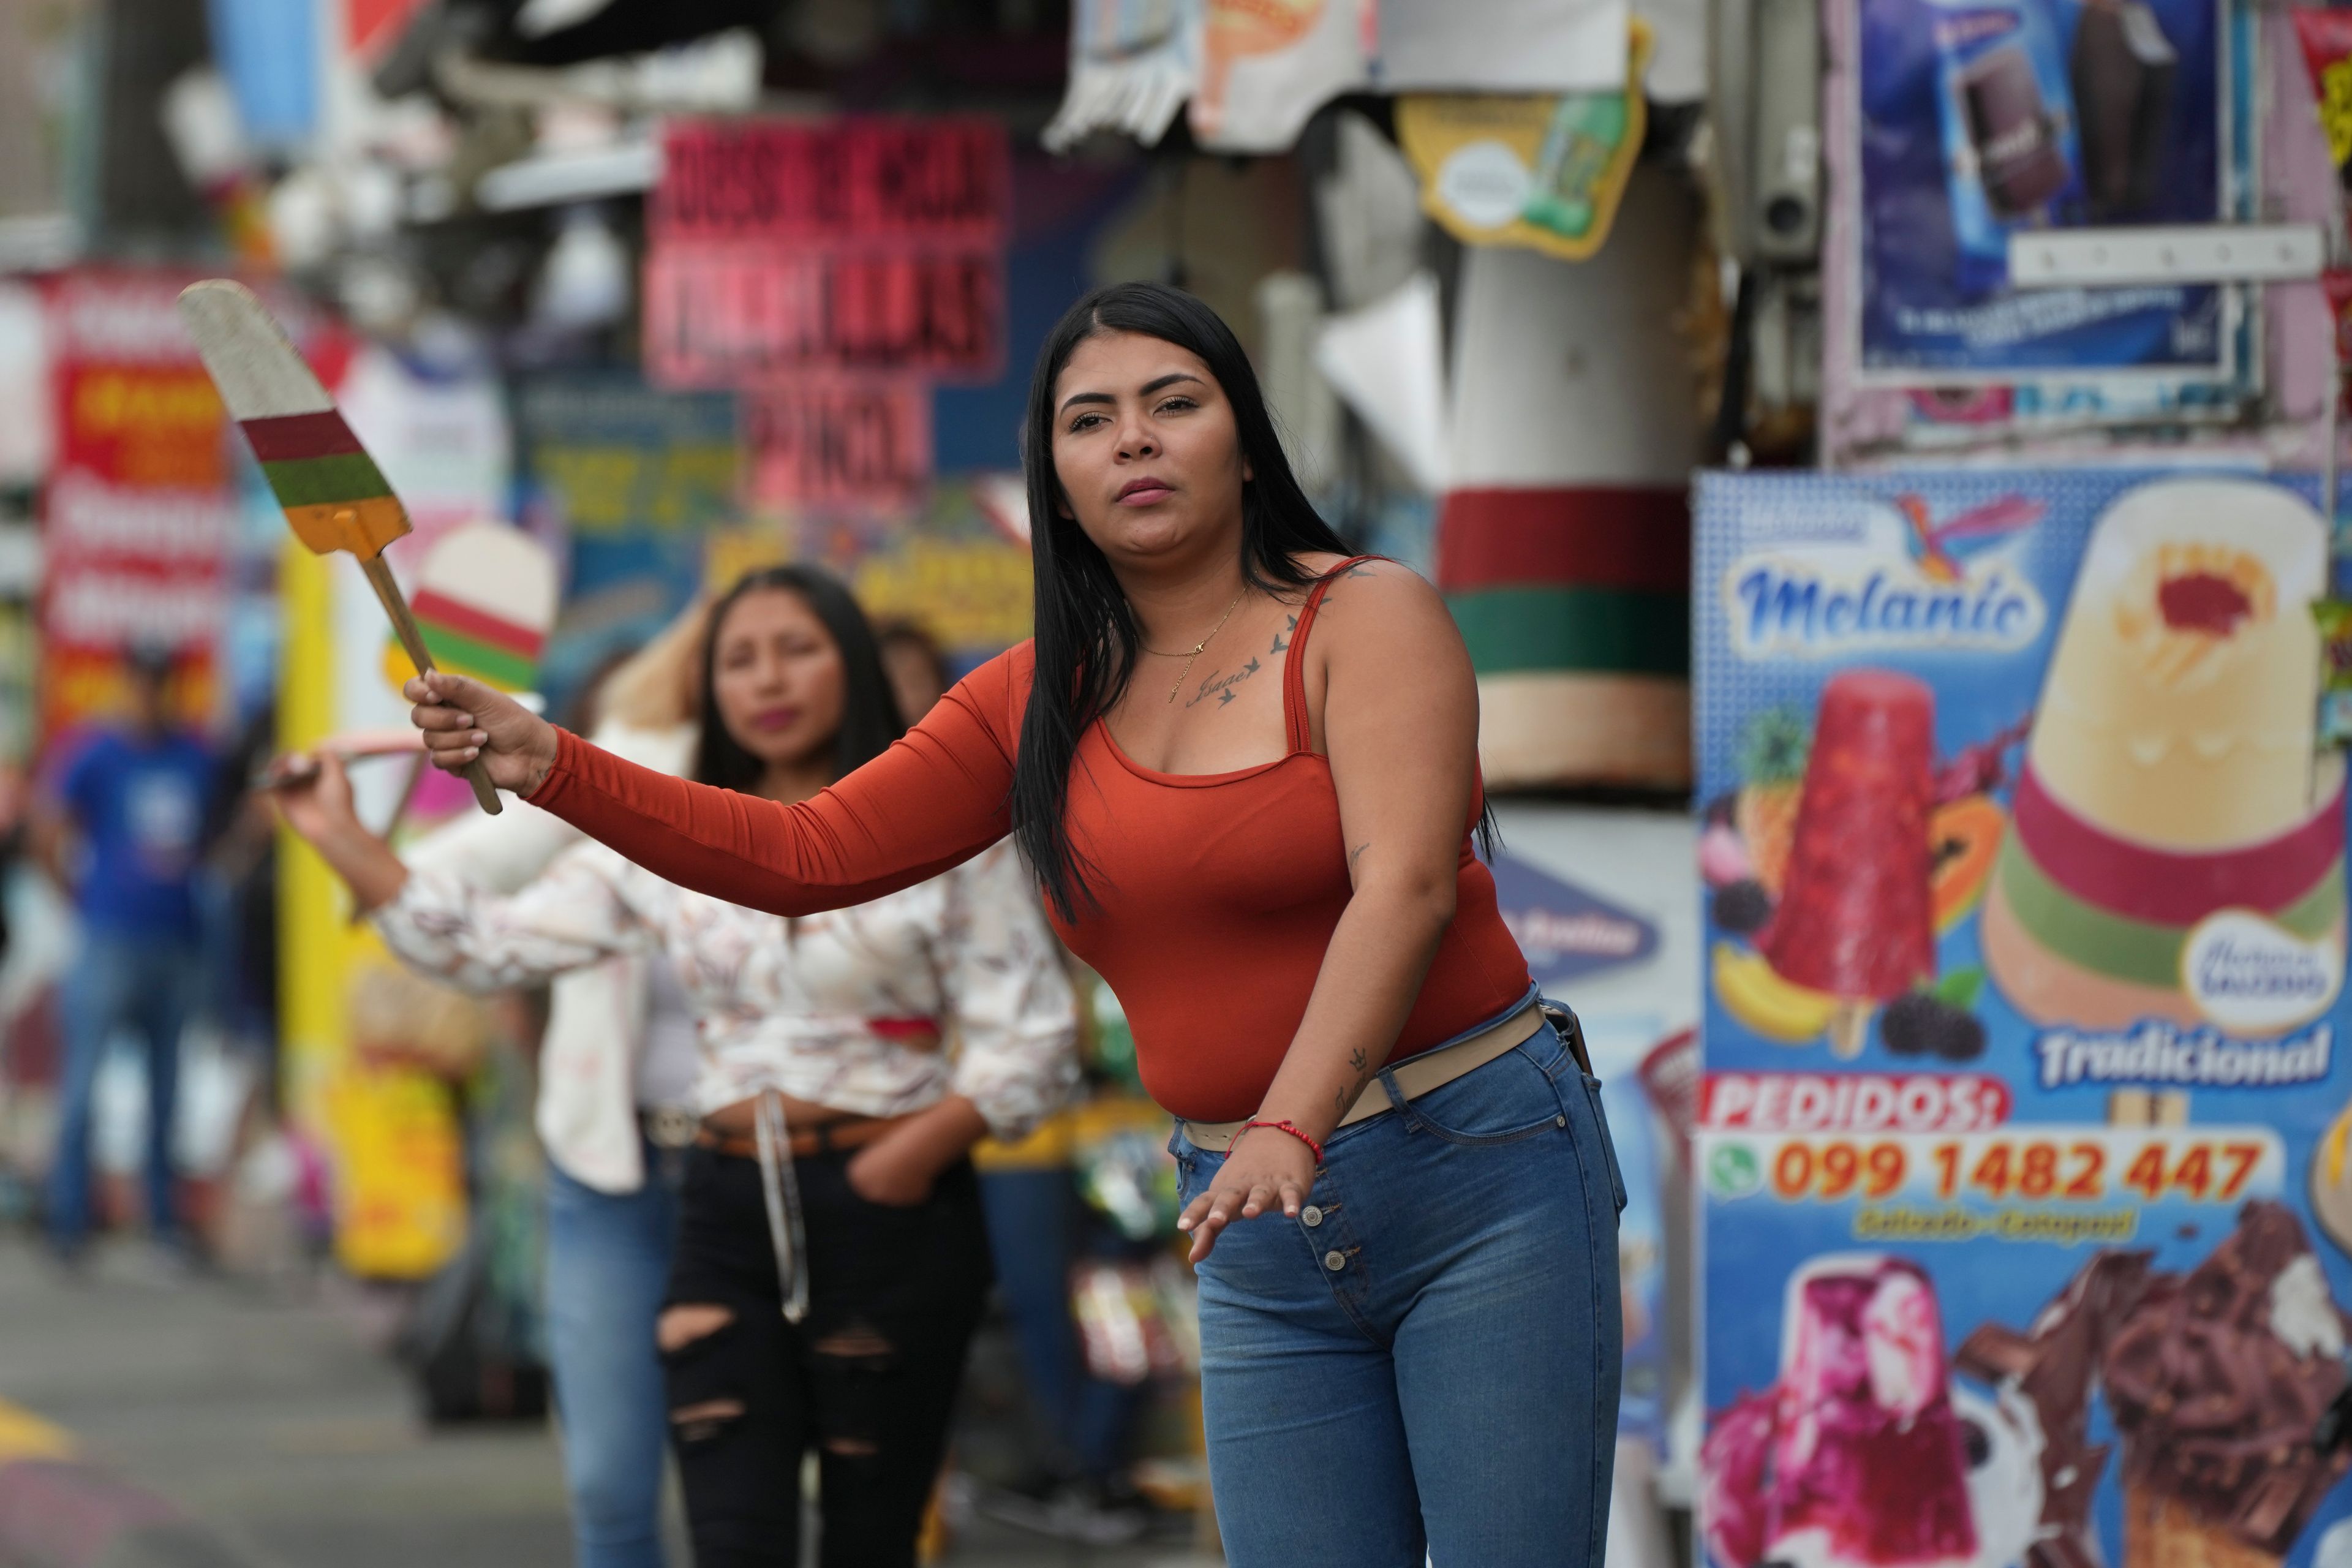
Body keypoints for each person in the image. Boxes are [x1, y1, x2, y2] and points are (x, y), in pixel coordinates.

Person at [401, 281, 1627, 1567]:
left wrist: (1292, 1118)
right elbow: (802, 852)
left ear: (1248, 442)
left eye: (1174, 403)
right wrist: (550, 758)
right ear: (1054, 481)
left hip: (1476, 1162)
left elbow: (1410, 888)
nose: (1135, 440)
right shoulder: (1033, 697)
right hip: (1248, 1213)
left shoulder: (1366, 614)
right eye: (1090, 421)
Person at [273, 565, 1080, 1568]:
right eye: (737, 659)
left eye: (799, 648)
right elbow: (483, 946)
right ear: (708, 688)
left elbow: (1038, 1039)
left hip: (895, 1216)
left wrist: (912, 1155)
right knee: (730, 1536)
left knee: (873, 1539)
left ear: (855, 662)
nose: (768, 679)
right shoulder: (676, 835)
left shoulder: (946, 833)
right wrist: (338, 836)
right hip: (722, 1212)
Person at [391, 601, 707, 1568]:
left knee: (754, 1492)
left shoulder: (802, 825)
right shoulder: (600, 853)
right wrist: (347, 837)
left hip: (774, 1173)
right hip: (609, 1167)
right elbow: (446, 905)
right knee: (610, 1485)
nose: (771, 681)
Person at [34, 643, 218, 1264]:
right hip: (109, 937)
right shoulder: (95, 750)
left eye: (157, 683)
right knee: (82, 1085)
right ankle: (68, 1220)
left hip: (177, 938)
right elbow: (47, 824)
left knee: (167, 1091)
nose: (147, 695)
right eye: (139, 683)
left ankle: (163, 1222)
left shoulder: (193, 752)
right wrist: (74, 895)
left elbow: (220, 826)